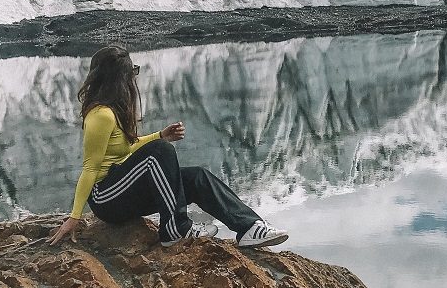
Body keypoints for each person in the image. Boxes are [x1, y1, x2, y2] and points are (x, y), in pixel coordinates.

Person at [47, 45, 289, 249]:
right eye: (132, 72)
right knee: (160, 153)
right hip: (105, 197)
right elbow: (90, 168)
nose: (134, 78)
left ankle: (249, 227)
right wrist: (74, 217)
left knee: (196, 177)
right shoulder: (102, 115)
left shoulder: (113, 111)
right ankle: (175, 229)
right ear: (118, 80)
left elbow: (125, 149)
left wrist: (160, 135)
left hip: (122, 188)